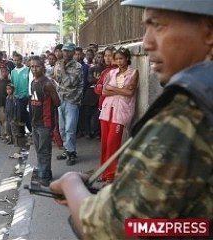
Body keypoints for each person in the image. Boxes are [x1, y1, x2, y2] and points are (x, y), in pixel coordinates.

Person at [49, 1, 213, 239]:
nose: (146, 43)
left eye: (158, 26)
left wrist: (70, 184)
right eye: (145, 28)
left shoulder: (188, 113)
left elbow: (114, 228)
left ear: (207, 30)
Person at [99, 47, 139, 183]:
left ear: (127, 58)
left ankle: (111, 175)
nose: (119, 61)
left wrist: (113, 88)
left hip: (121, 111)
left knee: (113, 143)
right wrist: (120, 90)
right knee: (105, 142)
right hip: (107, 110)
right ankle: (103, 172)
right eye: (116, 59)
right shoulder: (111, 73)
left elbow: (129, 93)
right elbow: (104, 92)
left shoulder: (133, 73)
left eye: (121, 58)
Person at [30, 56, 60, 186]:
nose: (34, 69)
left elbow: (57, 102)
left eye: (37, 66)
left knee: (44, 150)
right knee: (39, 149)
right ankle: (46, 171)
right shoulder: (33, 82)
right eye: (32, 66)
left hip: (45, 123)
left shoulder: (47, 84)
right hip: (35, 122)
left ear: (43, 67)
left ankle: (44, 177)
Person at [55, 43, 84, 166]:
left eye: (68, 51)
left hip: (72, 101)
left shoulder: (77, 66)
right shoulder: (58, 64)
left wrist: (62, 68)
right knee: (62, 129)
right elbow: (56, 79)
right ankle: (67, 150)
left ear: (73, 53)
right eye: (64, 51)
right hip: (60, 99)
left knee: (70, 129)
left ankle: (71, 153)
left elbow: (68, 82)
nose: (65, 53)